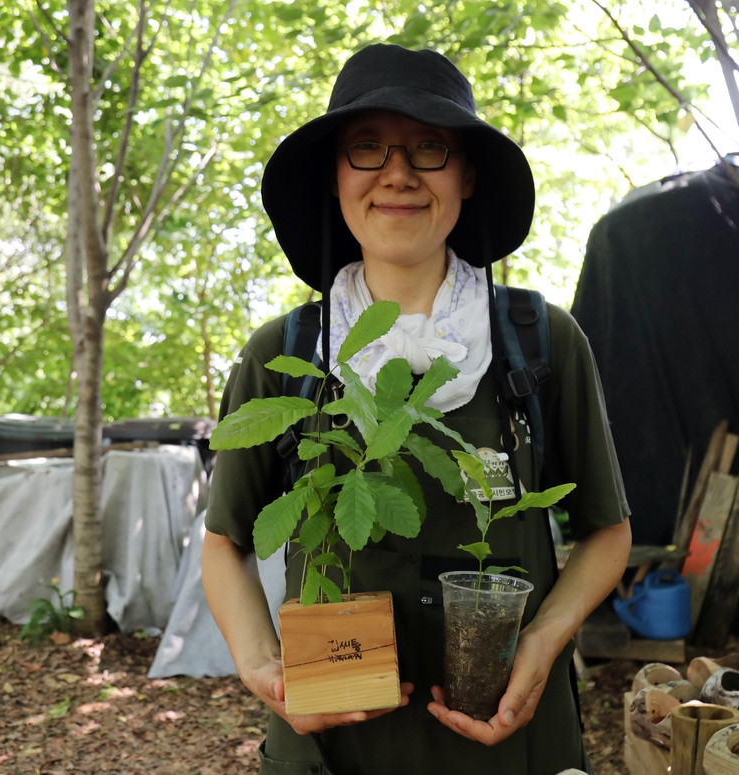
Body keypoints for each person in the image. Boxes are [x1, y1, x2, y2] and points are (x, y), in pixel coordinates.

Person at [202, 44, 632, 775]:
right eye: (366, 147)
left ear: (466, 177)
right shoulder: (287, 353)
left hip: (510, 736)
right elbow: (226, 543)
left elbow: (607, 531)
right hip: (331, 741)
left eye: (429, 148)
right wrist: (261, 665)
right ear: (335, 178)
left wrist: (540, 640)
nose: (397, 173)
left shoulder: (539, 340)